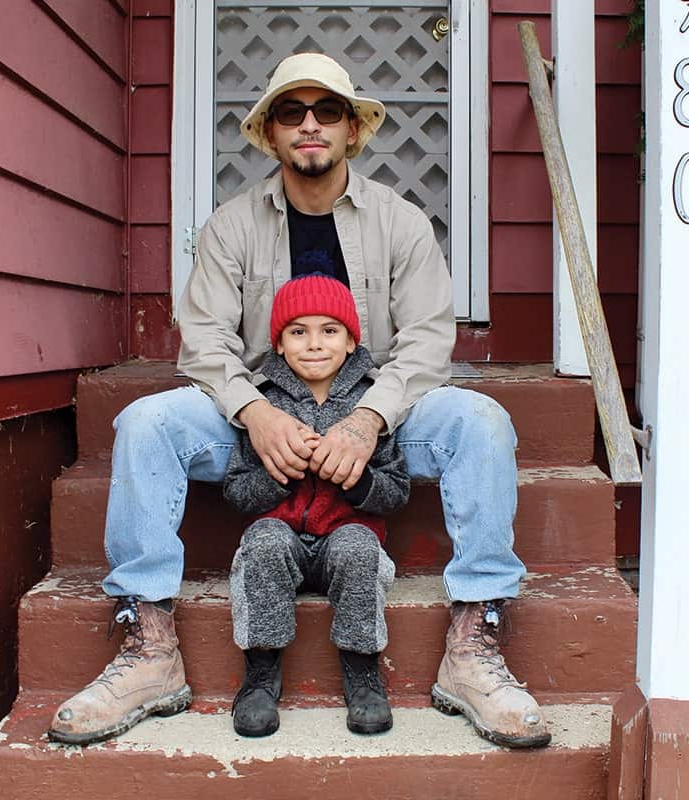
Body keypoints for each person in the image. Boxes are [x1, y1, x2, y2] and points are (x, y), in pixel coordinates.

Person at [48, 52, 551, 750]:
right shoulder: (232, 225)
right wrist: (254, 414)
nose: (310, 124)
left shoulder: (399, 223)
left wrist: (370, 417)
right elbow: (205, 342)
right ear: (271, 133)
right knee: (145, 423)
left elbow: (430, 339)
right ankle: (149, 648)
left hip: (375, 417)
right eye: (292, 111)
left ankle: (474, 643)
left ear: (352, 129)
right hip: (259, 421)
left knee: (482, 421)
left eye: (327, 111)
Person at [224, 274, 410, 737]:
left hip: (343, 539)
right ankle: (261, 671)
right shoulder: (263, 405)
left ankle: (362, 670)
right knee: (261, 542)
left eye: (329, 331)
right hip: (282, 539)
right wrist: (278, 475)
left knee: (359, 547)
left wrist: (355, 479)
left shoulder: (371, 403)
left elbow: (396, 490)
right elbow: (235, 490)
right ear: (280, 346)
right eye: (298, 332)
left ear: (350, 342)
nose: (313, 344)